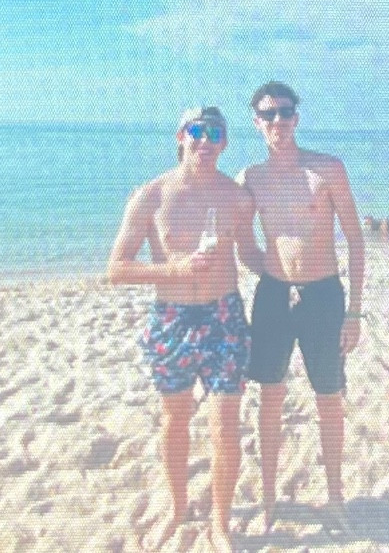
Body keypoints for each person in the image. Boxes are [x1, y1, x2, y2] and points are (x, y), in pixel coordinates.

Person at [107, 106, 261, 552]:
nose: (205, 140)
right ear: (180, 136)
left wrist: (292, 275)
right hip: (172, 319)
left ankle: (220, 522)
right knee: (175, 420)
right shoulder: (151, 197)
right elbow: (116, 269)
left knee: (225, 426)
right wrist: (174, 268)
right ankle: (177, 508)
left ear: (224, 142)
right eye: (197, 131)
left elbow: (250, 253)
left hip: (224, 317)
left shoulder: (237, 198)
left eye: (214, 133)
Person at [237, 81, 365, 529]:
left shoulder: (327, 169)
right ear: (256, 122)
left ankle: (335, 499)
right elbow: (241, 239)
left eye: (285, 112)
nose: (278, 121)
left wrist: (354, 312)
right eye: (268, 114)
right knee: (270, 396)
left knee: (328, 396)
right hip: (273, 295)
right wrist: (268, 269)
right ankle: (270, 499)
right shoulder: (250, 177)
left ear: (297, 117)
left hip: (323, 294)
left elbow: (355, 238)